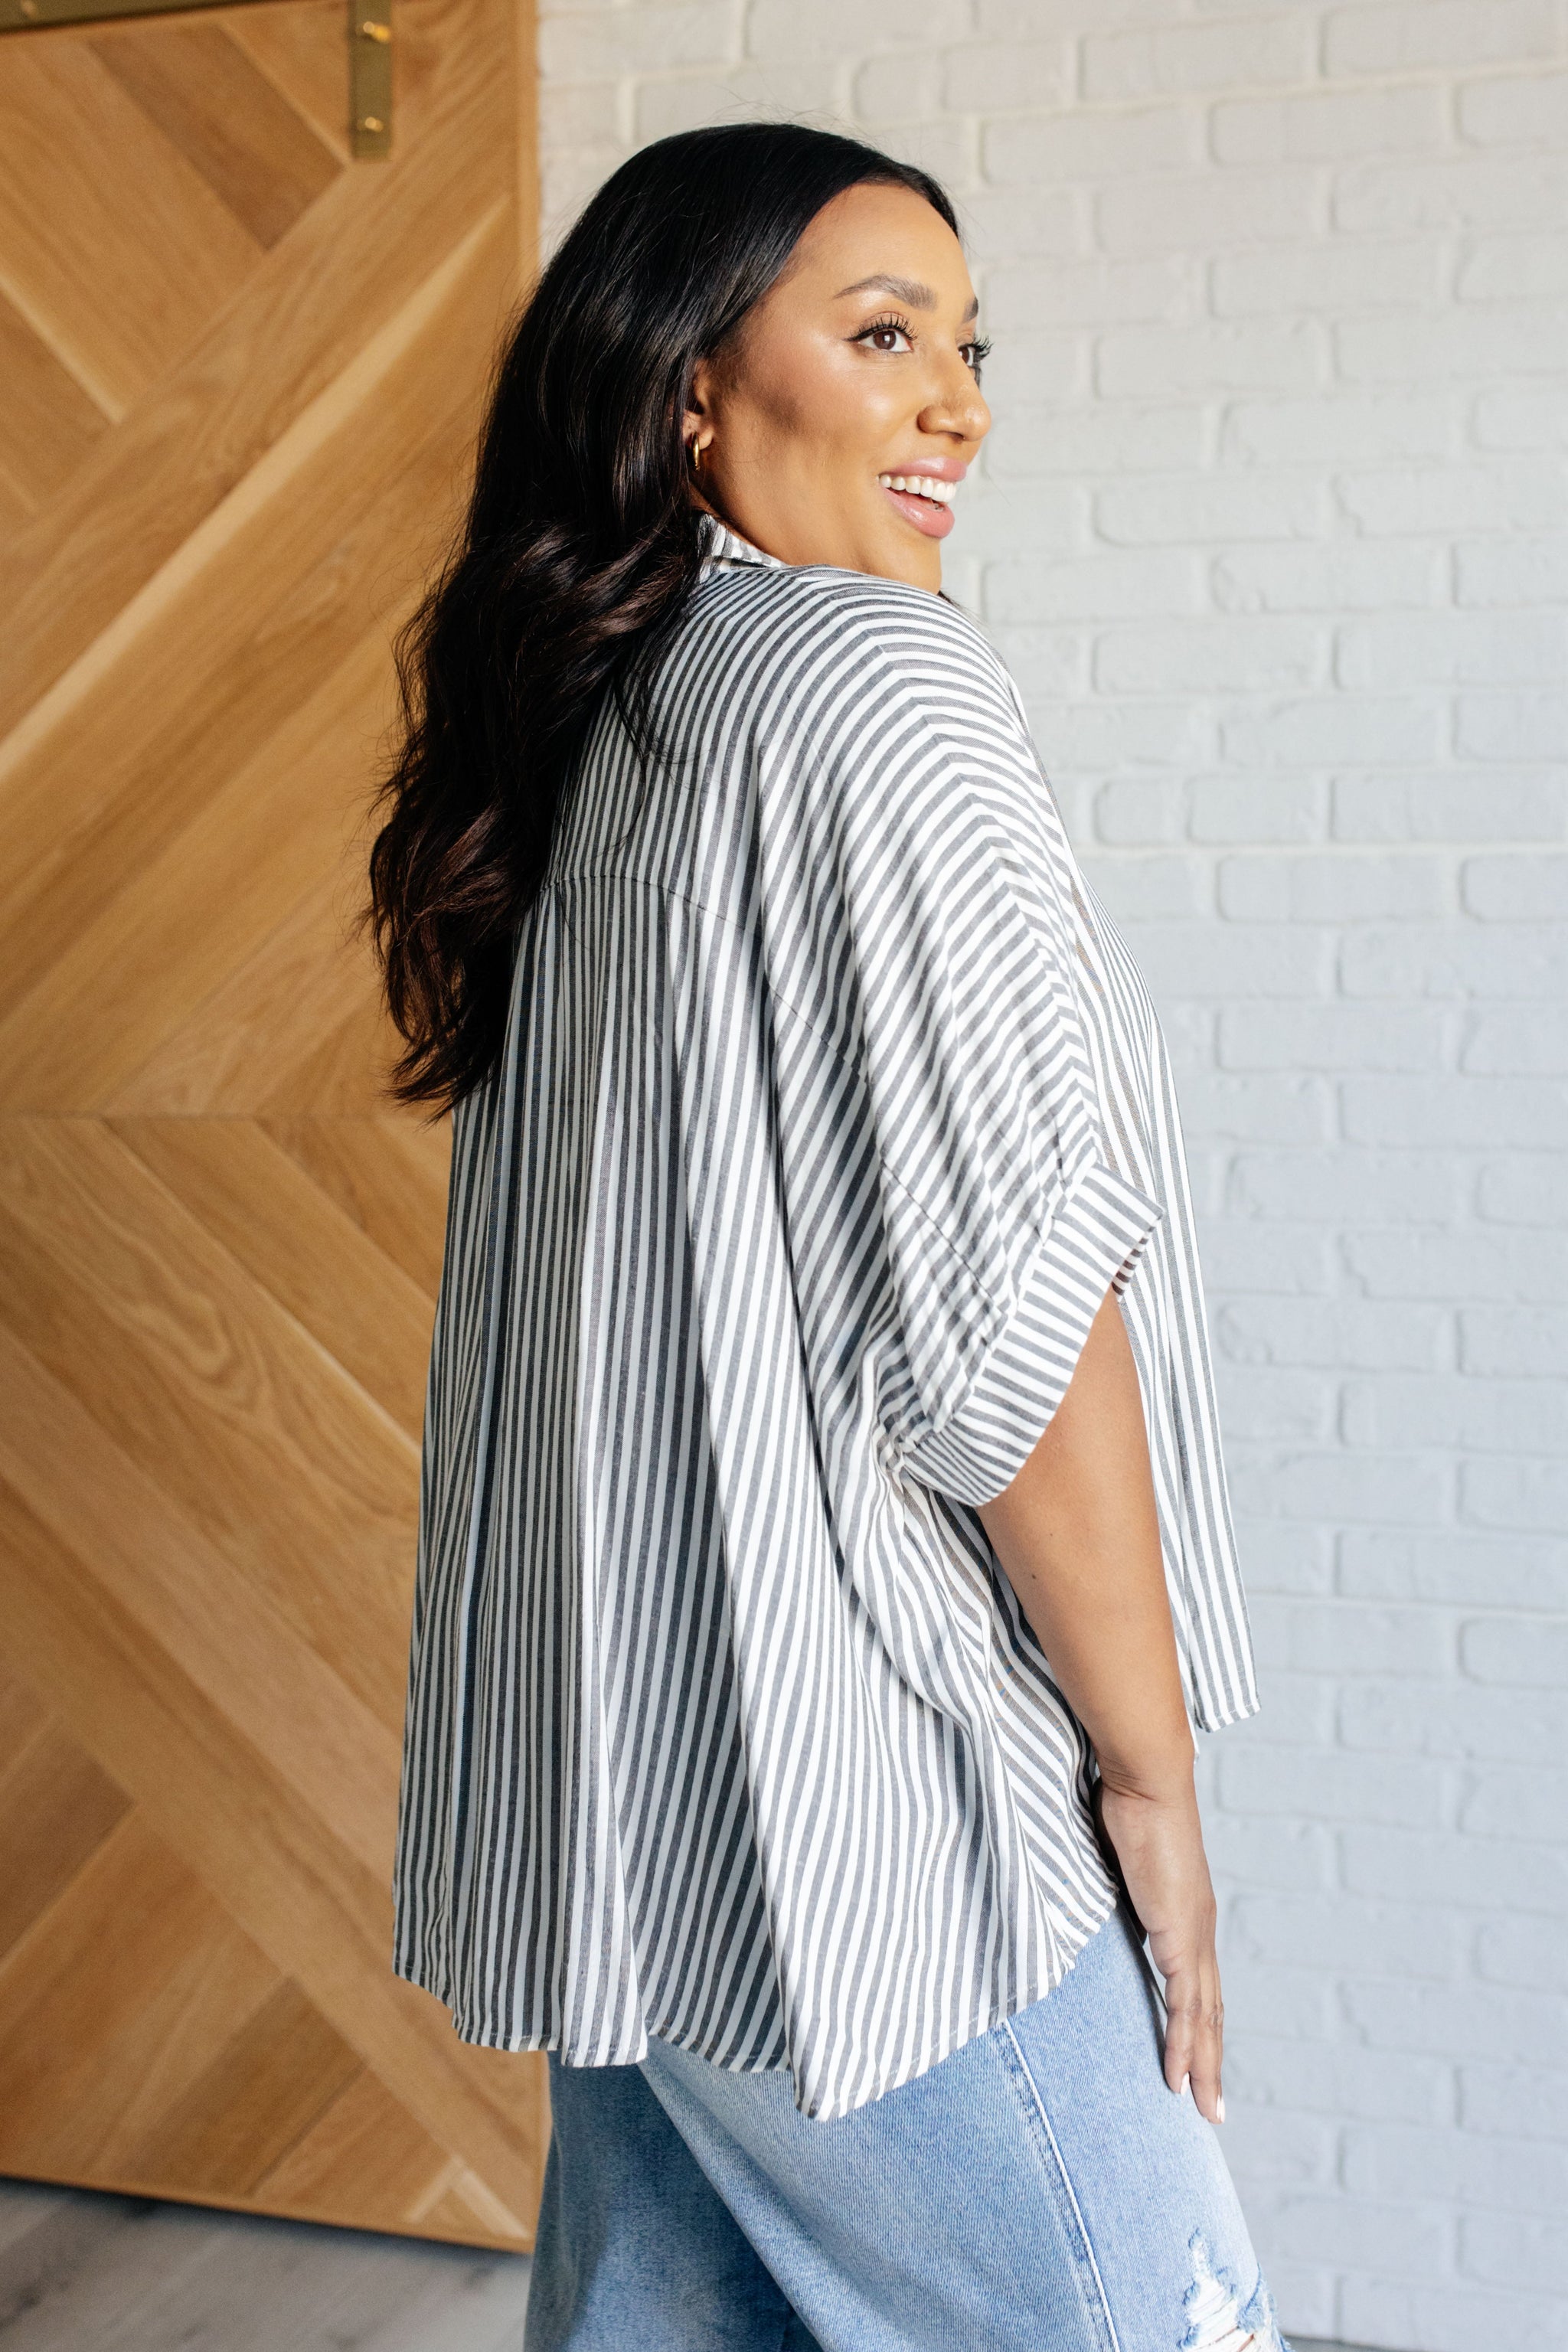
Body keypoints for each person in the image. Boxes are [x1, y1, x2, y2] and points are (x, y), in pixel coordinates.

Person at [369, 120, 1285, 2352]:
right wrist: (1150, 1782)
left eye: (970, 350)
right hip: (881, 1827)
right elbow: (1015, 1321)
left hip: (647, 1805)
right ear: (689, 383)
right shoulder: (881, 692)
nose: (956, 403)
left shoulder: (614, 711)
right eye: (884, 336)